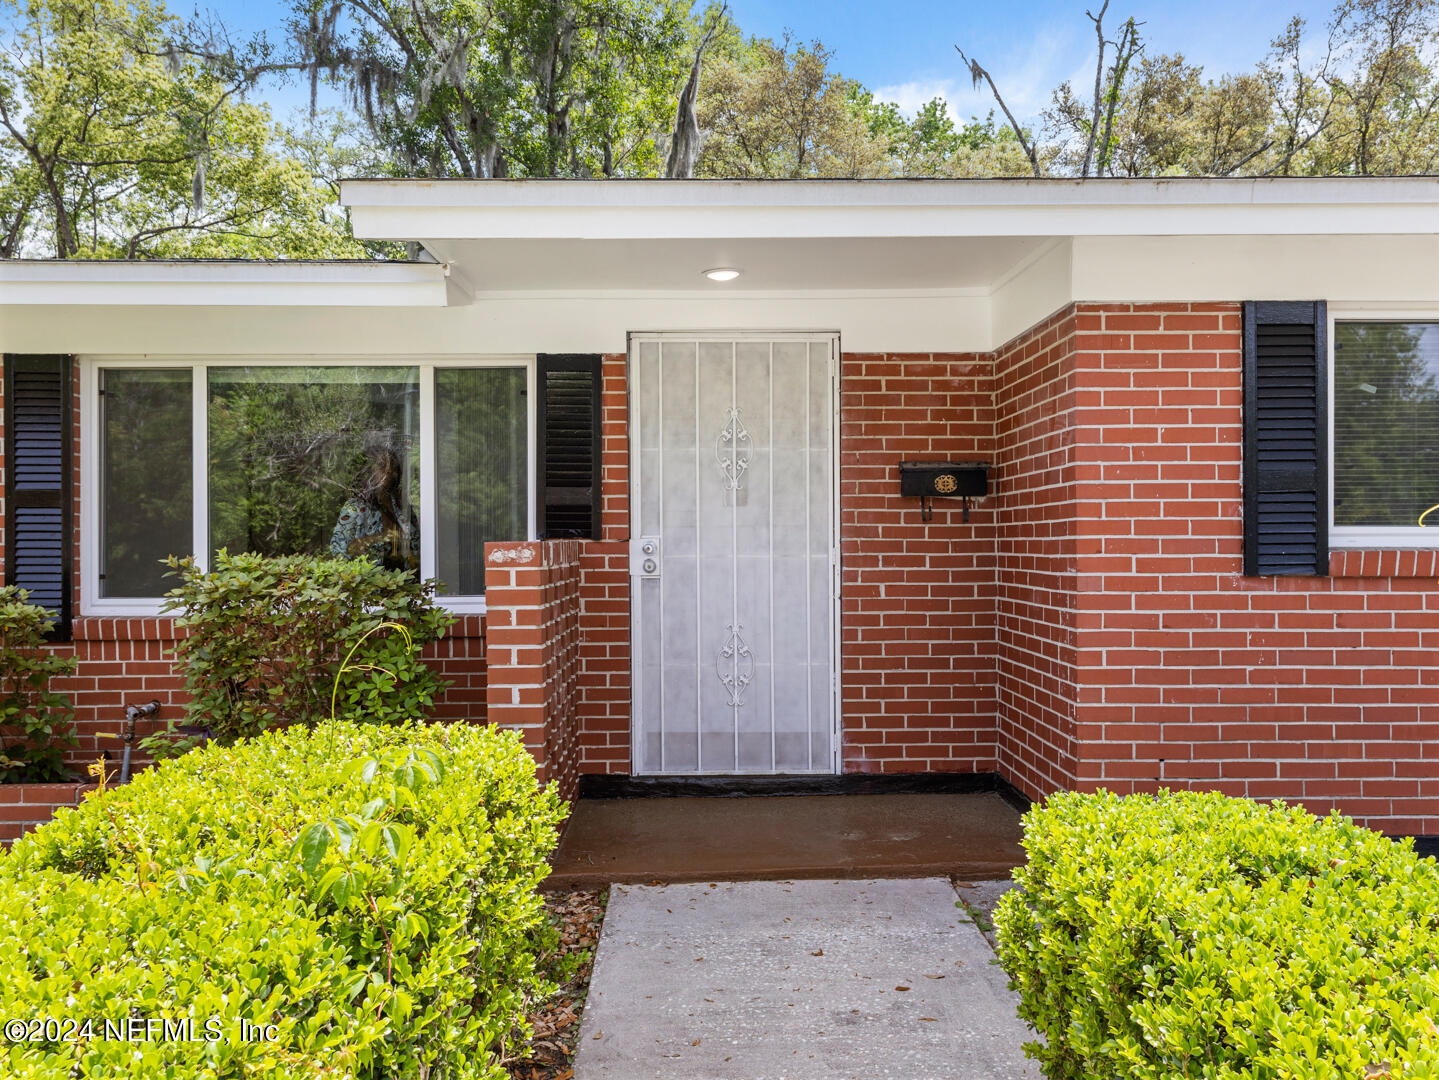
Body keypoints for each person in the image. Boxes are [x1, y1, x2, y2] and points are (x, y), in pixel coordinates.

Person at [329, 437, 419, 572]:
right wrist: (381, 537)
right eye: (382, 466)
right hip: (371, 587)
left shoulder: (401, 506)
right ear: (367, 470)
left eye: (394, 468)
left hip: (406, 584)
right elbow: (340, 551)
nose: (389, 472)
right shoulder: (354, 508)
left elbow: (419, 544)